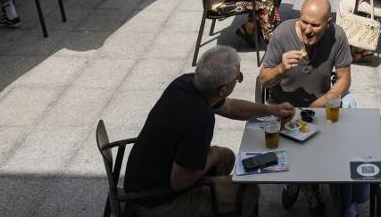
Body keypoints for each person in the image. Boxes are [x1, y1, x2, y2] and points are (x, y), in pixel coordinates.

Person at [124, 47, 294, 217]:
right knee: (247, 191)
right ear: (223, 89)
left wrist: (271, 109)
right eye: (238, 77)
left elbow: (230, 107)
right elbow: (180, 182)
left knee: (226, 157)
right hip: (156, 202)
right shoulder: (200, 117)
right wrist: (212, 156)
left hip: (144, 176)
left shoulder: (186, 83)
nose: (239, 79)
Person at [259, 0, 360, 216]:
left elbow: (344, 78)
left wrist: (319, 104)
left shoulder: (337, 36)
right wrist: (280, 69)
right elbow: (264, 80)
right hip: (282, 108)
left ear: (328, 24)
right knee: (299, 146)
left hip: (319, 106)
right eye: (304, 22)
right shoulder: (283, 34)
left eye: (315, 25)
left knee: (344, 137)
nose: (307, 30)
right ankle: (304, 185)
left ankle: (307, 185)